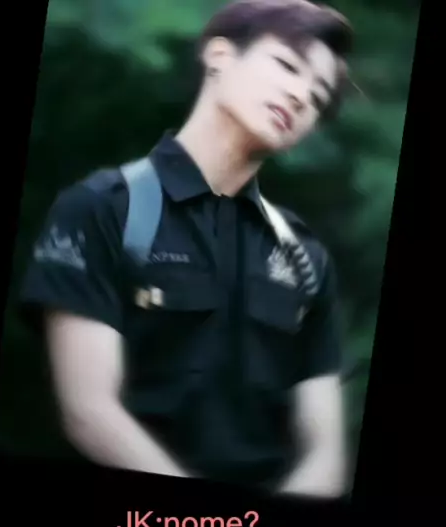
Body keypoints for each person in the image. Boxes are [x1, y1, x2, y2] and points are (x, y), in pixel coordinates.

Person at [19, 0, 354, 496]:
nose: (302, 95)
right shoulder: (103, 208)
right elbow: (88, 412)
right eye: (287, 65)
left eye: (319, 96)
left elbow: (326, 453)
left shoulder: (303, 256)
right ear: (219, 56)